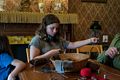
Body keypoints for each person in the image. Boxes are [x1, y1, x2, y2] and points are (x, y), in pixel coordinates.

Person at [29, 14, 98, 61]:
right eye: (52, 28)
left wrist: (90, 40)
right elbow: (33, 60)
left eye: (57, 28)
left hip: (56, 69)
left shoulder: (58, 38)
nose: (55, 31)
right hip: (41, 70)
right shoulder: (37, 40)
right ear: (45, 27)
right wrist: (50, 54)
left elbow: (73, 45)